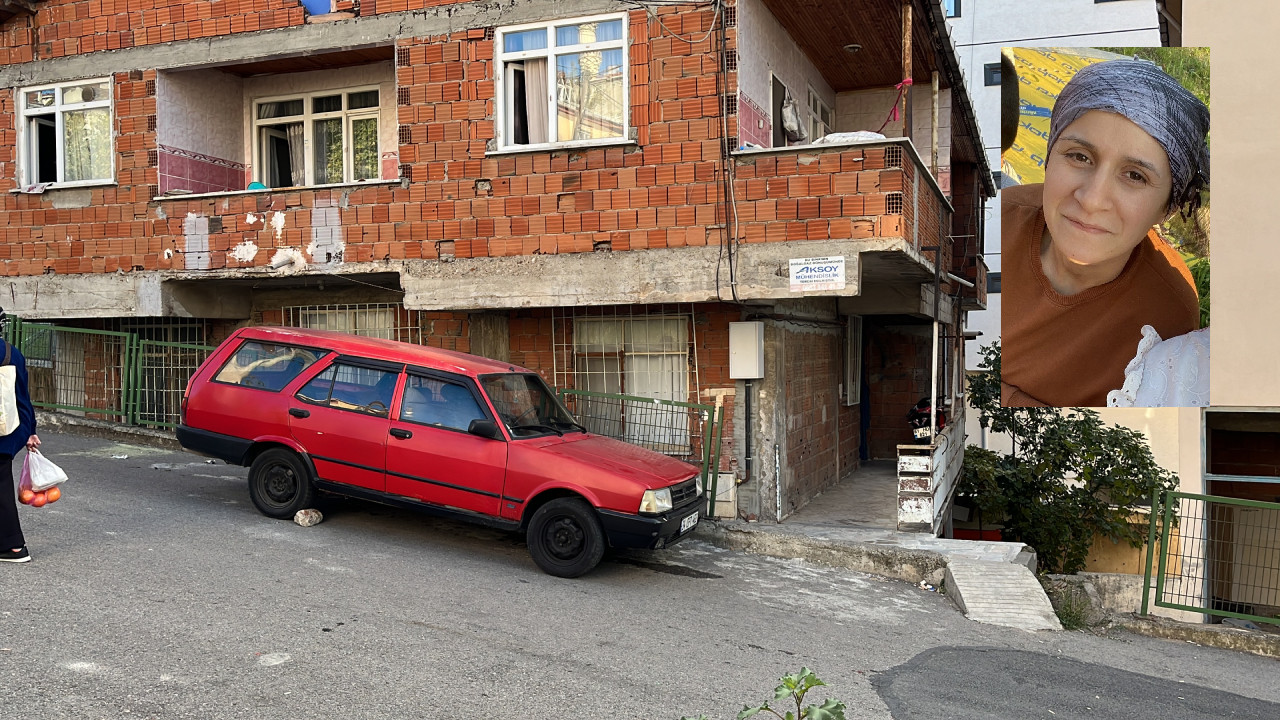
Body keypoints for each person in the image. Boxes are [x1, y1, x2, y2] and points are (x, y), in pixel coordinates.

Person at [1001, 58, 1210, 407]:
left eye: (1135, 176)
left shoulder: (1168, 315)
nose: (1093, 199)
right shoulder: (996, 222)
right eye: (1080, 157)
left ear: (1167, 207)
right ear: (1050, 155)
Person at [0, 315, 41, 563]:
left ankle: (14, 545)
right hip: (7, 431)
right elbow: (22, 396)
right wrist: (29, 430)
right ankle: (13, 546)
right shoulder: (11, 353)